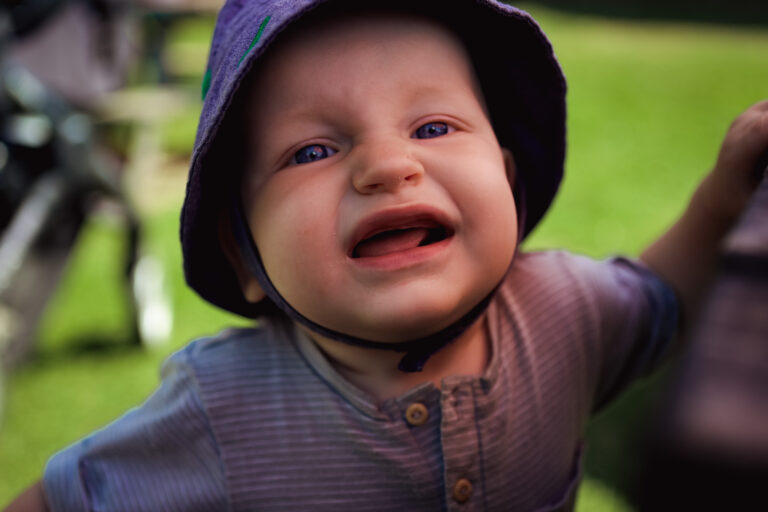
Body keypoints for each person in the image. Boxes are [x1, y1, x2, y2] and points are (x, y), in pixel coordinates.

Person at [6, 0, 767, 510]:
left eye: (433, 128)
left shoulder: (568, 310)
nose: (384, 166)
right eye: (312, 149)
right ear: (242, 255)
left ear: (507, 178)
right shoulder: (220, 409)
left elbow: (663, 301)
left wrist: (724, 196)